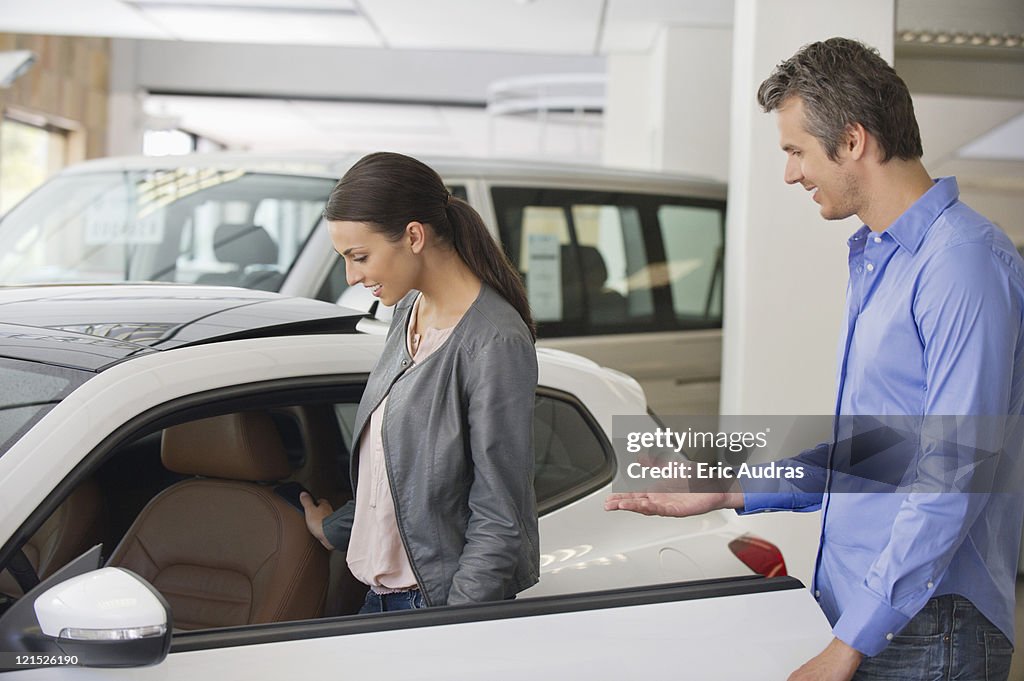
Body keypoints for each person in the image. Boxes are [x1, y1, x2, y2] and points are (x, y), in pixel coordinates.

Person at [606, 37, 1024, 681]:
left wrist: (850, 643)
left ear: (853, 140)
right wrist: (729, 487)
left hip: (926, 626)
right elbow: (877, 453)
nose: (791, 173)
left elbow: (954, 475)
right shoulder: (879, 259)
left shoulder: (962, 265)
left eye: (796, 151)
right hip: (870, 611)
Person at [300, 151, 540, 613]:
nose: (352, 276)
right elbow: (401, 474)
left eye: (360, 256)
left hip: (432, 606)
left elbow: (501, 514)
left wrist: (452, 626)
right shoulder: (409, 310)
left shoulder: (494, 341)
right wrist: (336, 529)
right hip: (382, 598)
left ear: (413, 235)